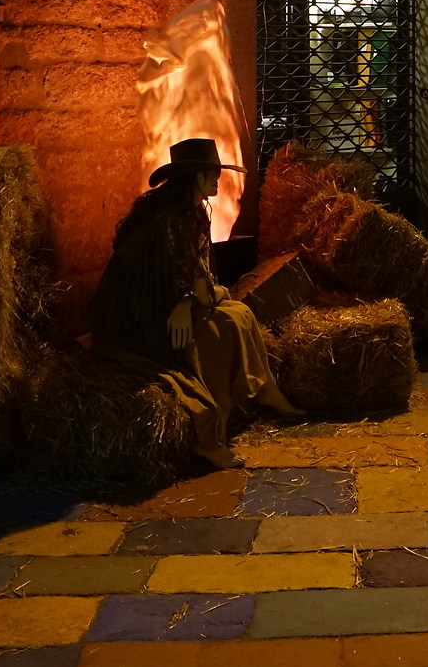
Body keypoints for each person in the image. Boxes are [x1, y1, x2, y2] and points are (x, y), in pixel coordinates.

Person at [89, 138, 296, 468]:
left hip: (170, 303)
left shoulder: (191, 211)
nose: (217, 179)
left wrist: (194, 299)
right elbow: (197, 287)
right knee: (220, 328)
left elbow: (196, 281)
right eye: (212, 172)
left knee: (239, 312)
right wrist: (198, 299)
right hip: (137, 317)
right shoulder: (170, 219)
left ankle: (266, 390)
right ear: (195, 176)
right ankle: (208, 440)